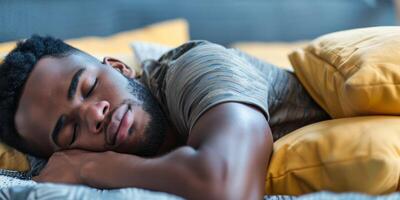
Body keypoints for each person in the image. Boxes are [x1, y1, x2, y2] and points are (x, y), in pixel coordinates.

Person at [0, 35, 329, 199]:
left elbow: (227, 187)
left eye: (88, 88)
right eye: (69, 131)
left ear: (118, 67)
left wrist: (87, 167)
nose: (93, 114)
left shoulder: (196, 66)